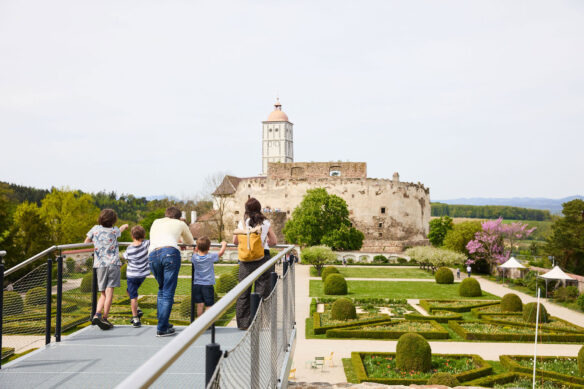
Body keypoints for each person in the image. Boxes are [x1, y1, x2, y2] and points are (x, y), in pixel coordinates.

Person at [149, 206, 195, 337]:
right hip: (170, 253)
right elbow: (190, 242)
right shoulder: (180, 223)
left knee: (162, 289)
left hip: (152, 255)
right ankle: (162, 328)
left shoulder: (156, 221)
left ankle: (163, 322)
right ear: (179, 217)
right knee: (168, 291)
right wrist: (182, 229)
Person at [233, 198, 277, 330]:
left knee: (243, 292)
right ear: (259, 208)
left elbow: (235, 241)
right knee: (262, 292)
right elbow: (274, 241)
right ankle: (259, 323)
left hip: (246, 260)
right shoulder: (265, 222)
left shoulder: (242, 223)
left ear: (246, 209)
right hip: (263, 257)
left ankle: (243, 324)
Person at [85, 209, 128, 330]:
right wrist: (124, 226)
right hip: (113, 264)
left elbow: (86, 241)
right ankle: (105, 317)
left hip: (100, 264)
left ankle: (97, 314)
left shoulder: (95, 229)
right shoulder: (114, 231)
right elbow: (121, 230)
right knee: (110, 292)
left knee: (102, 293)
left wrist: (95, 245)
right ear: (113, 220)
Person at [192, 237, 227, 318]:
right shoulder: (210, 257)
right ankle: (207, 324)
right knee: (209, 305)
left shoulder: (194, 257)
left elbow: (195, 252)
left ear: (197, 248)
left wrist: (196, 249)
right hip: (207, 285)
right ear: (208, 248)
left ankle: (199, 324)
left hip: (197, 284)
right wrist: (224, 245)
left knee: (200, 305)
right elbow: (220, 253)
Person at [123, 225, 150, 328]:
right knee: (129, 291)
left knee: (133, 297)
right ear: (143, 235)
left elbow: (125, 257)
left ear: (132, 236)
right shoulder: (146, 244)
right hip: (142, 275)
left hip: (132, 275)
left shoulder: (129, 248)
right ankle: (137, 309)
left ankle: (135, 318)